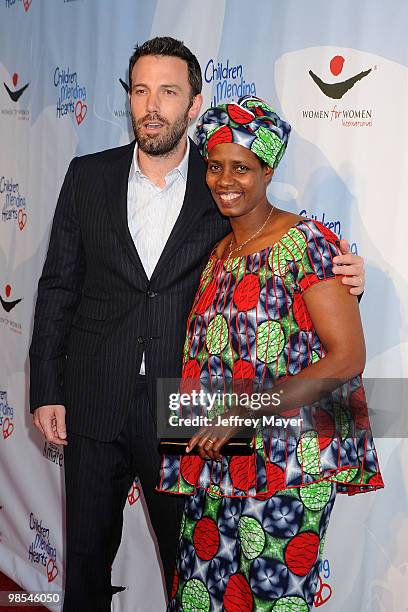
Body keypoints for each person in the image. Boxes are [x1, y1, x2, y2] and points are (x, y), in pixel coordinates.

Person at [29, 37, 366, 611]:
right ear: (129, 99)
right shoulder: (87, 176)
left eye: (168, 91)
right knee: (89, 561)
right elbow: (59, 285)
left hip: (191, 413)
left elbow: (300, 275)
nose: (152, 105)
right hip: (95, 395)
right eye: (140, 91)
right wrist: (46, 389)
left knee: (189, 566)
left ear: (193, 102)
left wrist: (351, 277)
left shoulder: (222, 191)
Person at [157, 96, 384, 611]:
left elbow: (347, 356)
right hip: (218, 457)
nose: (225, 180)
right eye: (215, 166)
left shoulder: (307, 242)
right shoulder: (221, 253)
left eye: (241, 167)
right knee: (200, 596)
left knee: (267, 600)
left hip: (288, 465)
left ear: (268, 169)